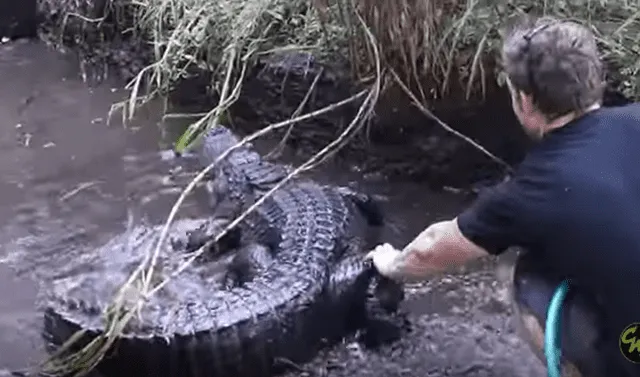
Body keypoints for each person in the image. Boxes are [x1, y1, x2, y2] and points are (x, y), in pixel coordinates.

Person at [366, 15, 640, 377]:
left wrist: (393, 264)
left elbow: (433, 248)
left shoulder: (531, 191)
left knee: (523, 274)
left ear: (525, 100)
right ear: (593, 81)